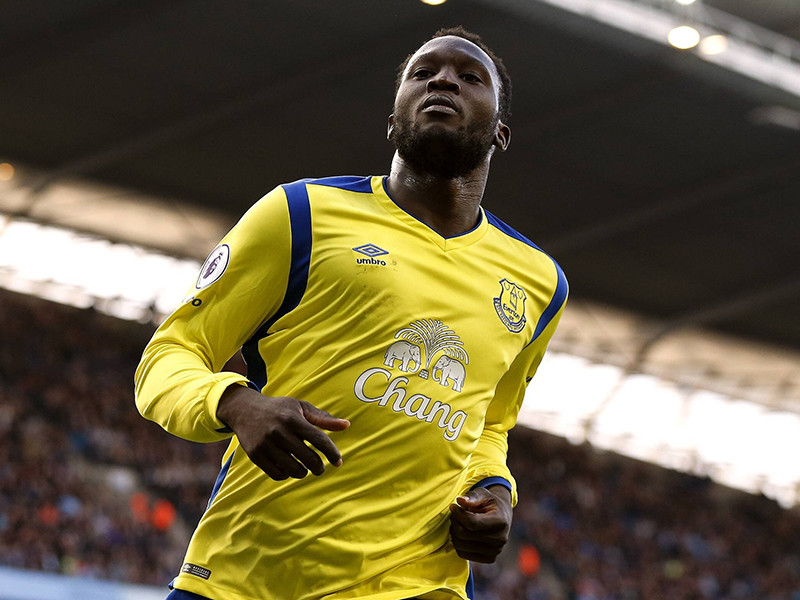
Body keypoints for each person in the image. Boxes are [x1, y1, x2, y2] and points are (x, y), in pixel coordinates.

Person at [135, 26, 568, 600]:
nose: (443, 80)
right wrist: (236, 404)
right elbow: (168, 356)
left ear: (501, 134)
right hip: (248, 580)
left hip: (418, 585)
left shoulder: (539, 283)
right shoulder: (300, 214)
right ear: (392, 121)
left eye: (470, 77)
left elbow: (488, 423)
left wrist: (495, 490)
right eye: (423, 73)